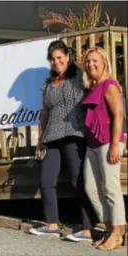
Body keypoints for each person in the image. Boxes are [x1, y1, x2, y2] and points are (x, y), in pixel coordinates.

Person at [28, 40, 97, 242]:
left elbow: (97, 86)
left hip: (74, 135)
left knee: (78, 181)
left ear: (68, 57)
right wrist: (40, 140)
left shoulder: (79, 77)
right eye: (52, 59)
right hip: (51, 137)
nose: (56, 62)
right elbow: (45, 113)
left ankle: (87, 229)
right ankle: (51, 225)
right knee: (47, 181)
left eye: (60, 57)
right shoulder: (48, 85)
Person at [82, 46, 126, 250]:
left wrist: (115, 146)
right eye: (88, 61)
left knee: (110, 187)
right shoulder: (92, 87)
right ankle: (110, 228)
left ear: (104, 63)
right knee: (90, 188)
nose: (91, 64)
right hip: (93, 144)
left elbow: (119, 115)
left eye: (95, 61)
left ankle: (118, 233)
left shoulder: (109, 85)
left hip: (109, 141)